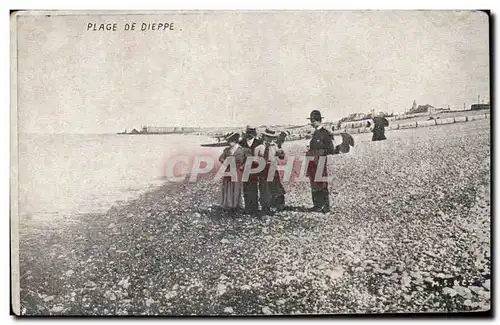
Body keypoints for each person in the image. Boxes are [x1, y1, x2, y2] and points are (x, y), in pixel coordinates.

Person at [306, 110, 335, 213]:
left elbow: (330, 149)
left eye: (312, 121)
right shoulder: (315, 133)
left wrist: (319, 153)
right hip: (313, 162)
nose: (311, 123)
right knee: (314, 182)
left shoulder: (325, 133)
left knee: (322, 183)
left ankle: (326, 206)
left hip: (320, 161)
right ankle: (317, 205)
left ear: (316, 121)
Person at [255, 128, 286, 213]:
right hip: (262, 169)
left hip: (272, 167)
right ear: (264, 137)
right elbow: (255, 161)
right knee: (264, 188)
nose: (269, 139)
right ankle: (265, 206)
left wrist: (281, 152)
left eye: (271, 137)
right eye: (268, 137)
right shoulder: (259, 147)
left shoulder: (274, 146)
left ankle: (278, 205)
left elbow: (281, 157)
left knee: (276, 186)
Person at [218, 132, 246, 213]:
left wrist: (242, 166)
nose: (228, 143)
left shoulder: (242, 150)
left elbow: (247, 160)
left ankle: (237, 205)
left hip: (238, 171)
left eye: (230, 141)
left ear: (234, 141)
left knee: (237, 187)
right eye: (228, 141)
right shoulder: (227, 150)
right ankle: (228, 205)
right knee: (228, 187)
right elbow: (220, 158)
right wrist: (227, 163)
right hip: (229, 170)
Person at [239, 126, 262, 214]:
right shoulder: (241, 143)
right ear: (246, 132)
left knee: (254, 187)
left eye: (252, 132)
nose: (250, 134)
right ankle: (248, 208)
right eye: (248, 132)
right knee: (246, 187)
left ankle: (255, 208)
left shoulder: (259, 142)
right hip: (244, 168)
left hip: (256, 168)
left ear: (254, 133)